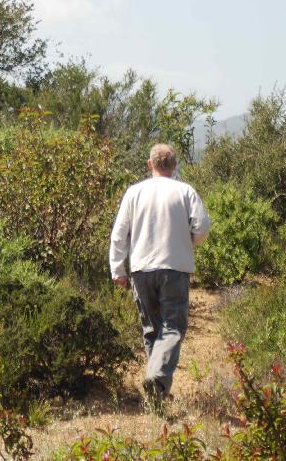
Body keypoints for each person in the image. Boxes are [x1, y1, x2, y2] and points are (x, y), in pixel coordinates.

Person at [109, 143, 210, 405]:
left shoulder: (135, 192)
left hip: (141, 268)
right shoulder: (185, 191)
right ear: (175, 165)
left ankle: (158, 393)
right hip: (174, 267)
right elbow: (202, 227)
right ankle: (157, 378)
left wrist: (117, 268)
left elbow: (119, 234)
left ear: (149, 164)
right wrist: (188, 242)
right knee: (173, 328)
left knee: (152, 329)